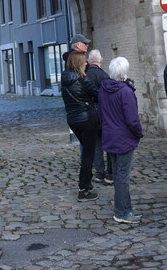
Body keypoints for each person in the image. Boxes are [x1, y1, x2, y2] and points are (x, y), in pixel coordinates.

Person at [98, 56, 143, 224]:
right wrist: (139, 133)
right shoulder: (126, 91)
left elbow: (101, 113)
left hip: (109, 136)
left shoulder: (103, 89)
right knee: (122, 176)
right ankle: (121, 212)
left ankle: (126, 209)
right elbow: (132, 119)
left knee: (118, 175)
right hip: (123, 138)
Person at [61, 49, 100, 201]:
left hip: (73, 120)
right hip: (86, 119)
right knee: (88, 154)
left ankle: (87, 183)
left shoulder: (65, 80)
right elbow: (98, 94)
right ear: (79, 63)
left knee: (86, 151)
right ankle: (83, 188)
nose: (86, 63)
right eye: (84, 61)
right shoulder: (82, 79)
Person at [86, 49, 113, 184]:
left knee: (96, 145)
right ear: (100, 61)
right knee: (107, 144)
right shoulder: (103, 76)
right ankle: (109, 173)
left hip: (89, 114)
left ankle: (99, 173)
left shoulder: (84, 75)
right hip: (102, 114)